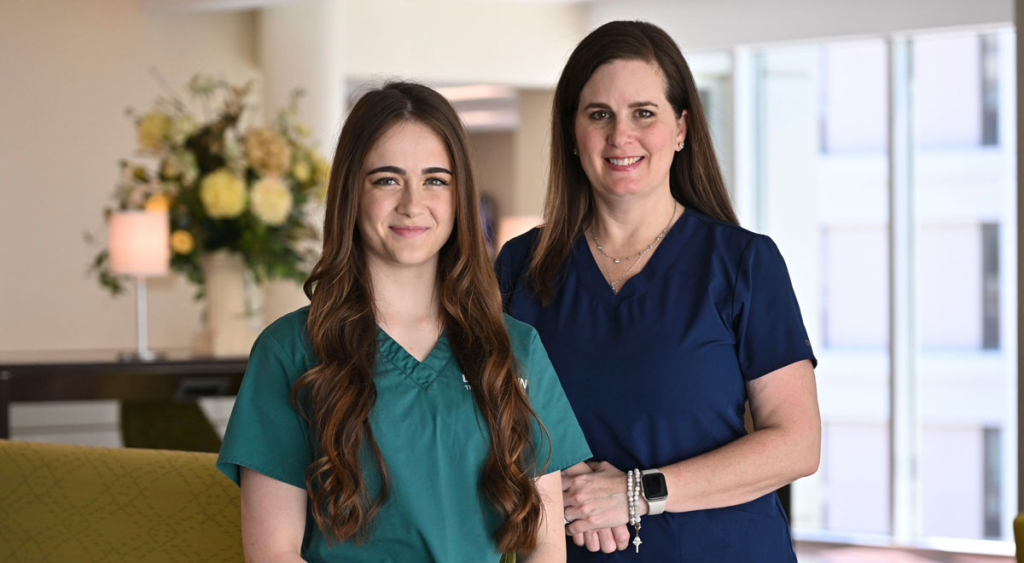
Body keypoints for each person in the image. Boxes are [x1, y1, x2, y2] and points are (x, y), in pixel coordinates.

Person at [217, 82, 592, 563]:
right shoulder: (290, 351)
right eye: (387, 180)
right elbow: (273, 554)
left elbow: (544, 547)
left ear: (461, 198)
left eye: (436, 180)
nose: (413, 204)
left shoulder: (515, 348)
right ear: (352, 191)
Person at [495, 21, 821, 562]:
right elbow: (491, 411)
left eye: (643, 113)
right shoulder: (521, 266)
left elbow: (797, 442)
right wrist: (566, 476)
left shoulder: (743, 263)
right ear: (572, 133)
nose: (620, 136)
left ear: (681, 128)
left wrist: (635, 494)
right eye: (599, 115)